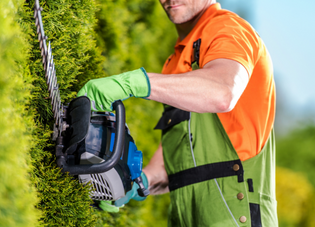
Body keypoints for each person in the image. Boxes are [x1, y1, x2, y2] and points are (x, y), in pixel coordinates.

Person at [77, 0, 278, 226]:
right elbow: (180, 156)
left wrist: (132, 83)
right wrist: (138, 182)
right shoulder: (176, 61)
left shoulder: (228, 29)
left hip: (234, 215)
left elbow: (223, 91)